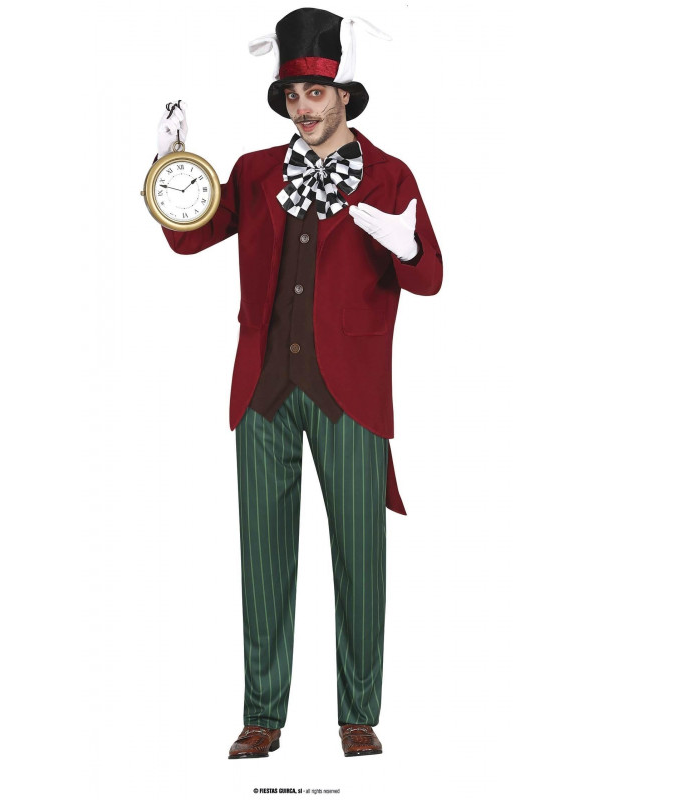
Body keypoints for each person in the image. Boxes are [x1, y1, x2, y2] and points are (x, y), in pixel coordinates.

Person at [152, 8, 443, 758]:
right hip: (262, 391)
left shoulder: (390, 175)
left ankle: (358, 714)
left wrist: (406, 244)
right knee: (263, 560)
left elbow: (430, 278)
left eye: (315, 94)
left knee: (360, 558)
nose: (303, 108)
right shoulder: (255, 171)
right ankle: (262, 716)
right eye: (291, 95)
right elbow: (189, 237)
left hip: (352, 393)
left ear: (345, 96)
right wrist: (171, 172)